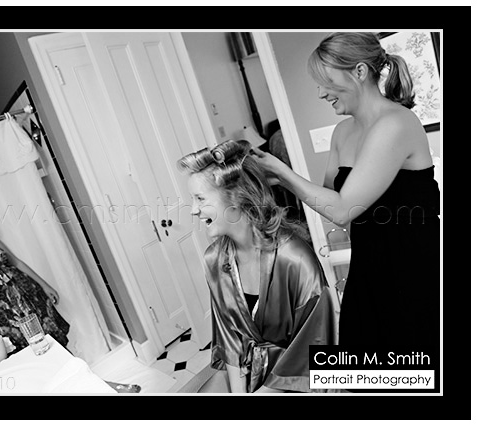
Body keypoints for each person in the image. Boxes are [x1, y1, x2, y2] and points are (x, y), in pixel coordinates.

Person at [251, 32, 440, 352]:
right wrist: (275, 182)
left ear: (360, 71)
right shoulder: (342, 132)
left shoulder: (396, 123)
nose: (320, 92)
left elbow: (342, 209)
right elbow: (328, 198)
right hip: (368, 264)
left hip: (413, 270)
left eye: (325, 81)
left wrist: (282, 172)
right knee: (358, 357)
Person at [0, 194, 140, 393]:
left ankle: (98, 387)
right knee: (43, 359)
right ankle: (103, 387)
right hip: (9, 318)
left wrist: (44, 285)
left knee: (58, 349)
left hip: (33, 299)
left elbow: (16, 262)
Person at [177, 140, 337, 393]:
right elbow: (229, 339)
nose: (194, 210)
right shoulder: (215, 259)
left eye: (200, 198)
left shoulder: (294, 259)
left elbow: (315, 348)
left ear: (237, 197)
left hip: (297, 379)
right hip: (248, 368)